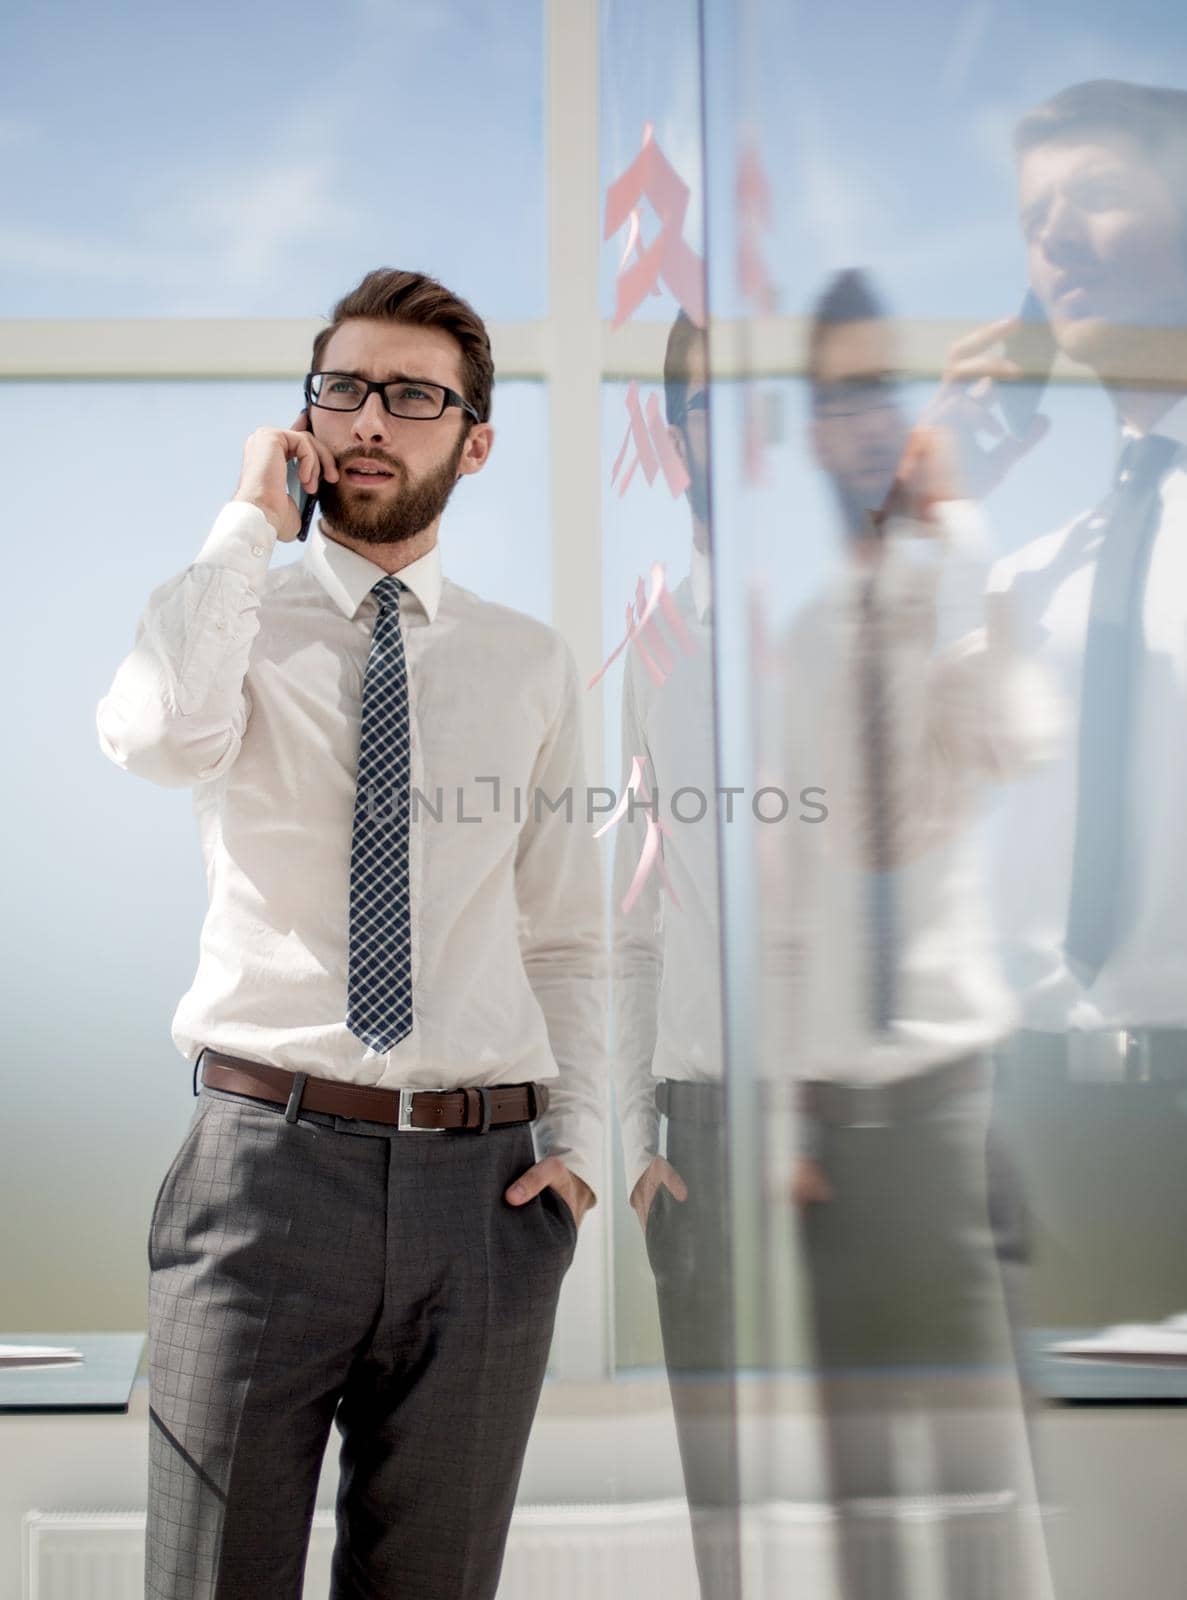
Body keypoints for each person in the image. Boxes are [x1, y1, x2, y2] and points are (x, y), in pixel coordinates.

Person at [97, 268, 604, 1600]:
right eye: (342, 389)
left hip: (485, 1194)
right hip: (266, 1176)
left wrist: (587, 1147)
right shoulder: (231, 614)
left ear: (474, 441)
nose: (370, 419)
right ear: (303, 420)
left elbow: (566, 925)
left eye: (414, 396)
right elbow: (152, 736)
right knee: (211, 1578)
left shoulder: (530, 662)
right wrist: (241, 525)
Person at [765, 269, 1055, 1599]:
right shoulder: (806, 641)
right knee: (863, 1511)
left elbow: (1022, 742)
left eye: (880, 387)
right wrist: (787, 1119)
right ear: (812, 430)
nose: (862, 418)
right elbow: (787, 892)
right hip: (832, 1133)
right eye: (835, 395)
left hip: (946, 1104)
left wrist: (962, 538)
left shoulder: (959, 592)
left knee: (988, 1504)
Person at [973, 81, 1187, 1340]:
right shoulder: (1030, 574)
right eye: (1032, 214)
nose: (1051, 237)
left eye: (1095, 194)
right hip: (1059, 1138)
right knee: (1094, 1536)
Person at [611, 310, 742, 1600]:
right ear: (679, 429)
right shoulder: (656, 627)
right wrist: (632, 1142)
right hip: (696, 1134)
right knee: (728, 1511)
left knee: (866, 1492)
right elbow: (635, 903)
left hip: (857, 1121)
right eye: (710, 398)